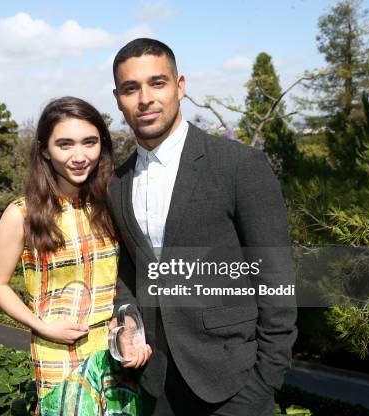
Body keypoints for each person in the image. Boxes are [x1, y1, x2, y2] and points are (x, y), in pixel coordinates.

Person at [107, 38, 297, 415]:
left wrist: (266, 379)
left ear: (180, 86)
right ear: (118, 98)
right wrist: (127, 319)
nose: (145, 98)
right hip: (156, 382)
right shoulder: (116, 183)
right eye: (131, 88)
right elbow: (129, 270)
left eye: (157, 83)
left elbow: (276, 276)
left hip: (235, 383)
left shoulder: (239, 165)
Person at [0, 97, 145, 415]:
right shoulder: (22, 214)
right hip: (58, 355)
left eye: (90, 142)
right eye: (65, 144)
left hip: (117, 351)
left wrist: (131, 331)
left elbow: (130, 277)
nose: (79, 156)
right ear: (45, 149)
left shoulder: (114, 205)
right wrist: (42, 326)